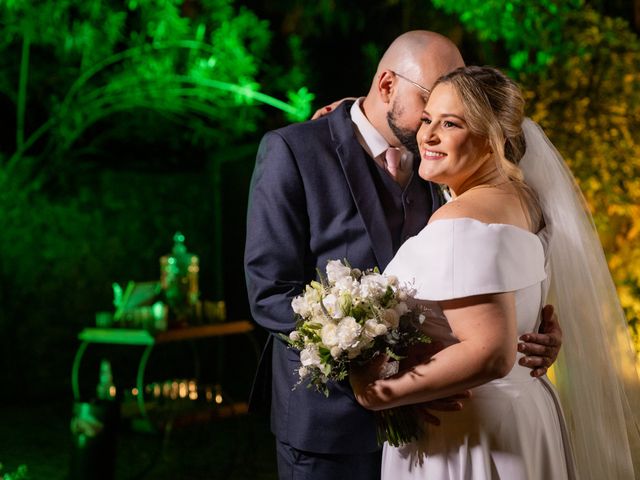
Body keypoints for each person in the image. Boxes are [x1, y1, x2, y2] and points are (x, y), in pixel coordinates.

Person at [244, 32, 562, 480]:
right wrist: (392, 373)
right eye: (432, 101)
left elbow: (486, 266)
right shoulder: (295, 151)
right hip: (330, 427)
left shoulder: (446, 158)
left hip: (441, 430)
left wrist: (529, 327)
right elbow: (270, 294)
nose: (439, 124)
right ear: (388, 85)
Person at [349, 65, 640, 479]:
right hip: (521, 415)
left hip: (471, 436)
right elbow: (514, 308)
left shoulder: (462, 222)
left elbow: (490, 352)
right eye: (428, 118)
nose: (427, 135)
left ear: (493, 137)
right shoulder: (524, 198)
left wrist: (376, 393)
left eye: (450, 124)